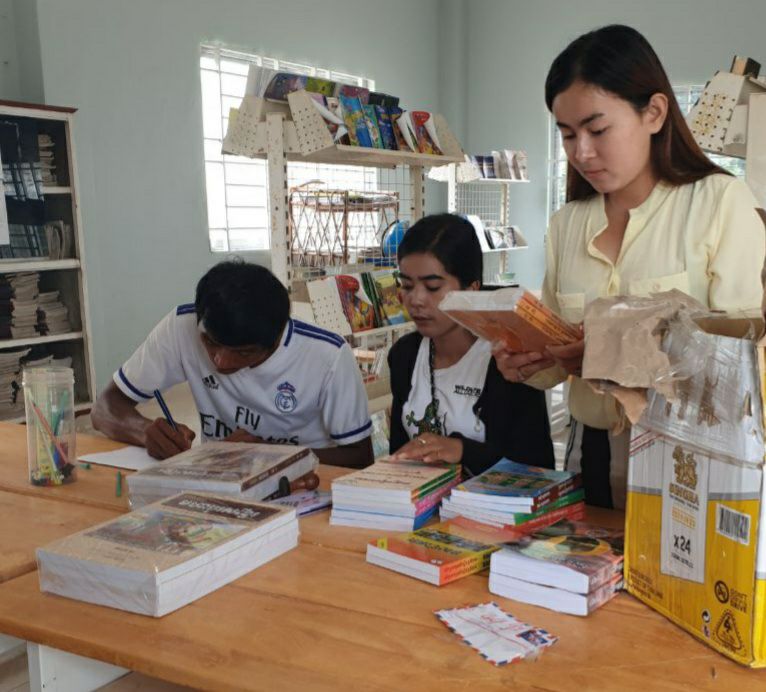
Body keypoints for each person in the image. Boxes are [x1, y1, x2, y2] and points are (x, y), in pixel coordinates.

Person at [493, 25, 766, 507]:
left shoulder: (719, 202)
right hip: (590, 451)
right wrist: (525, 362)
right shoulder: (567, 223)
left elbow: (741, 354)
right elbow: (555, 356)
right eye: (567, 135)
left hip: (690, 452)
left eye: (597, 130)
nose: (581, 152)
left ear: (654, 113)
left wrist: (613, 355)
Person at [92, 260, 374, 468]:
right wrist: (144, 431)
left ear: (277, 339)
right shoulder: (181, 327)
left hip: (302, 484)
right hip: (217, 477)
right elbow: (104, 408)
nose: (220, 361)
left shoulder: (327, 356)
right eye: (210, 342)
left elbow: (360, 457)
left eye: (244, 353)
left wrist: (270, 455)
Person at [387, 213, 555, 475]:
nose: (416, 300)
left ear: (472, 288)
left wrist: (463, 451)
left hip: (491, 501)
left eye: (432, 287)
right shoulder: (404, 355)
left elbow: (539, 468)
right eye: (407, 286)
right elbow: (399, 455)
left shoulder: (509, 359)